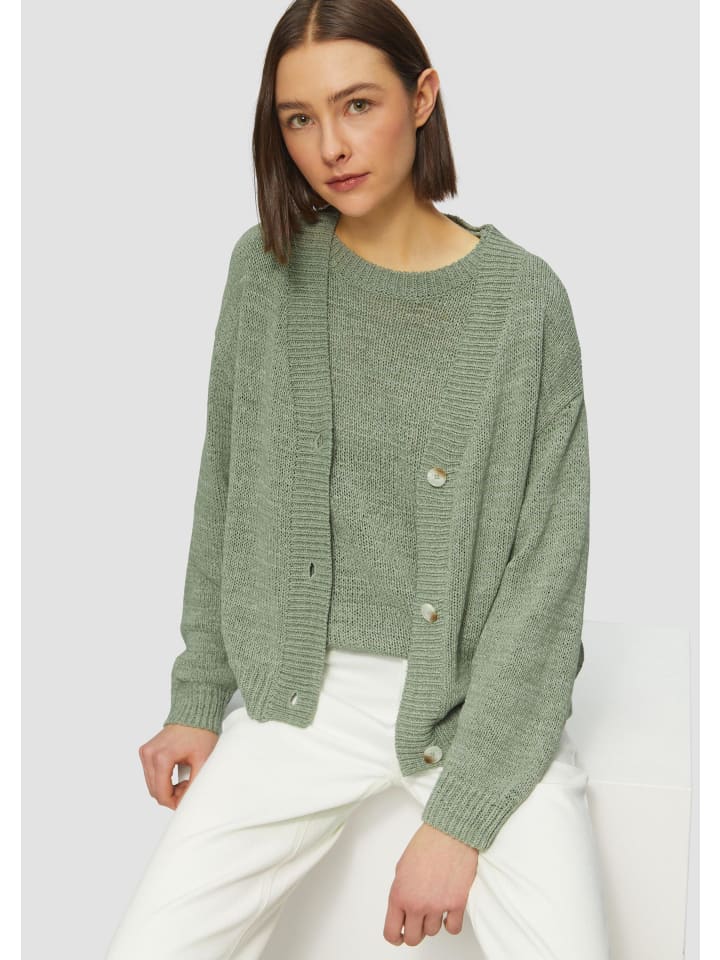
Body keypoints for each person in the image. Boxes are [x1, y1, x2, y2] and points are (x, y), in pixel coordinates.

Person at [106, 0, 612, 957]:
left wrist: (459, 821)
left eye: (358, 105)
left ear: (422, 98)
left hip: (477, 704)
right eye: (299, 118)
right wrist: (198, 696)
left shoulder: (524, 302)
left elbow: (548, 570)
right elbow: (224, 485)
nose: (330, 146)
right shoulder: (266, 273)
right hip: (303, 698)